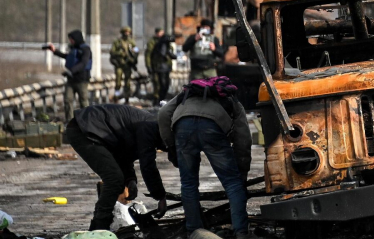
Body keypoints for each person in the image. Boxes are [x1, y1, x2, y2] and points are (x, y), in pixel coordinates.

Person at [158, 76, 252, 237]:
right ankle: (241, 232)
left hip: (183, 126)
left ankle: (194, 230)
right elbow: (243, 138)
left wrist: (171, 146)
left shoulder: (187, 93)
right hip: (212, 127)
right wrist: (242, 171)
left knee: (188, 183)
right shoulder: (230, 98)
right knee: (233, 183)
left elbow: (163, 113)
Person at [65, 104, 169, 230]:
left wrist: (130, 179)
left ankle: (101, 226)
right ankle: (98, 228)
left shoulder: (151, 126)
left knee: (117, 178)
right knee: (114, 179)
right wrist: (160, 197)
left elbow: (123, 154)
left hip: (89, 128)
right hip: (84, 130)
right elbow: (148, 166)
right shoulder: (150, 128)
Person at [47, 30, 92, 120]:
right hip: (71, 79)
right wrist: (55, 51)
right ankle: (70, 121)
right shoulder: (73, 49)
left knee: (83, 101)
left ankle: (87, 121)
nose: (71, 41)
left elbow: (83, 63)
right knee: (68, 99)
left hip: (82, 80)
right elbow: (67, 56)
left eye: (72, 39)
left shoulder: (85, 49)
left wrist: (71, 71)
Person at [110, 26, 139, 101]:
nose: (127, 34)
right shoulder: (117, 42)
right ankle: (116, 96)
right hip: (119, 64)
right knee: (118, 81)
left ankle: (127, 97)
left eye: (128, 32)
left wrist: (133, 56)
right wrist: (120, 53)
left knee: (128, 82)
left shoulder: (131, 42)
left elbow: (136, 51)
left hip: (128, 65)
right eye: (126, 32)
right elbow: (112, 52)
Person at [151, 33, 177, 102]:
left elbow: (172, 56)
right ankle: (159, 100)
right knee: (162, 85)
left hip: (166, 68)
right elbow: (163, 53)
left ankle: (161, 99)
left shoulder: (167, 46)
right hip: (161, 68)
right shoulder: (161, 45)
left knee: (166, 85)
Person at [145, 28, 165, 100]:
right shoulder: (152, 42)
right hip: (155, 66)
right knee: (156, 83)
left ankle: (162, 97)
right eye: (160, 32)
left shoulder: (164, 40)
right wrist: (149, 66)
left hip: (164, 66)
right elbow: (148, 55)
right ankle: (156, 98)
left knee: (164, 83)